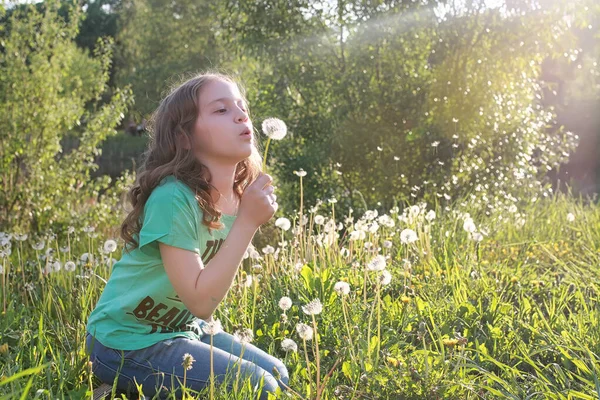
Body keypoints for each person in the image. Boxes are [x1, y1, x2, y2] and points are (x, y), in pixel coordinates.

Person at [85, 71, 289, 399]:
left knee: (278, 373)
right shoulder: (173, 197)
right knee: (258, 387)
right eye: (221, 110)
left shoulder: (238, 195)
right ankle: (119, 383)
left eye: (242, 107)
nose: (240, 114)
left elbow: (202, 300)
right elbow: (199, 301)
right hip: (124, 344)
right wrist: (247, 224)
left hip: (183, 330)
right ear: (184, 137)